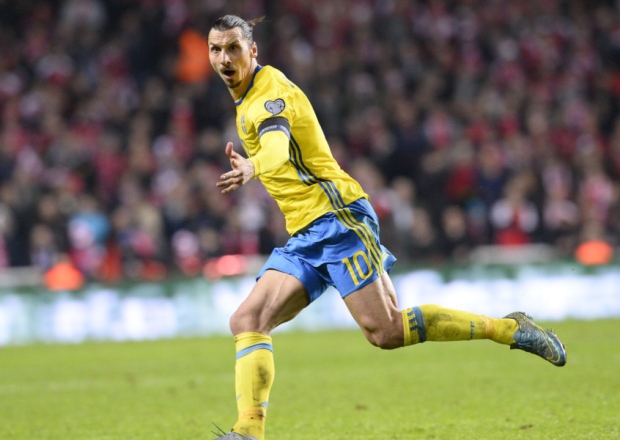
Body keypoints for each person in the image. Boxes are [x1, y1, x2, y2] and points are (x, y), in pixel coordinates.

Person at [207, 15, 567, 440]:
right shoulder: (245, 99)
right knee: (247, 318)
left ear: (253, 51)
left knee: (387, 331)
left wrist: (252, 166)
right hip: (306, 232)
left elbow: (277, 146)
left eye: (233, 48)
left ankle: (510, 329)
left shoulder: (269, 92)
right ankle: (249, 432)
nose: (224, 58)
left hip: (337, 218)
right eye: (216, 49)